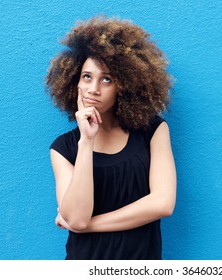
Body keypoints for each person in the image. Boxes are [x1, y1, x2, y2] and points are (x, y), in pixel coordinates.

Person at [45, 16, 176, 260]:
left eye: (107, 79)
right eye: (86, 77)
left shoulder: (153, 131)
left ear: (124, 85)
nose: (93, 88)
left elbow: (163, 203)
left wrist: (88, 225)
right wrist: (86, 141)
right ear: (75, 82)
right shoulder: (63, 148)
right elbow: (77, 218)